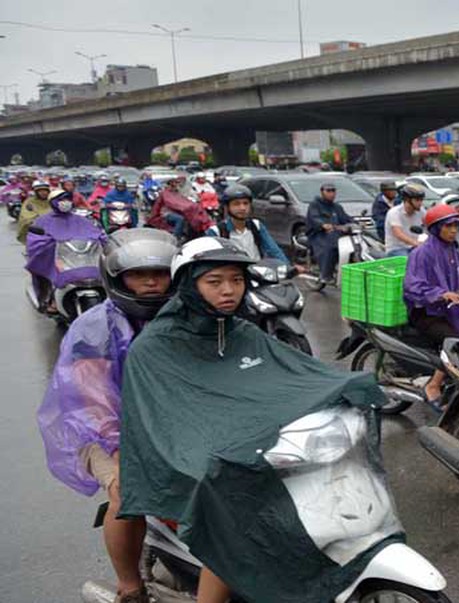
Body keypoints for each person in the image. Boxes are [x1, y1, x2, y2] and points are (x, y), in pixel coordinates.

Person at [117, 237, 386, 603]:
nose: (229, 290)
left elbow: (297, 376)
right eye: (215, 282)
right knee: (231, 518)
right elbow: (159, 425)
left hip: (250, 447)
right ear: (189, 285)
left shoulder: (243, 332)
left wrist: (353, 385)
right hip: (194, 459)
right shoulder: (154, 348)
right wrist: (213, 456)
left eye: (236, 280)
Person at [37, 229, 178, 603]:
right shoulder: (95, 328)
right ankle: (129, 585)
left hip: (174, 423)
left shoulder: (185, 317)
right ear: (116, 278)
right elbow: (92, 402)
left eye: (160, 273)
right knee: (125, 492)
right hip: (104, 432)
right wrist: (119, 450)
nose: (151, 282)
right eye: (139, 274)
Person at [404, 204, 459, 406]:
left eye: (456, 226)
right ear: (436, 229)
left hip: (451, 309)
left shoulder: (453, 250)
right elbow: (413, 286)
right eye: (448, 227)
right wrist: (441, 294)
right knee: (455, 342)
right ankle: (433, 385)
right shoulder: (421, 253)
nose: (454, 231)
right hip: (427, 312)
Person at [25, 189, 106, 310]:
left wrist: (102, 238)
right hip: (56, 258)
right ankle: (49, 299)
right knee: (45, 270)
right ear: (53, 202)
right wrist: (48, 244)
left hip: (81, 258)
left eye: (68, 199)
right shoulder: (42, 221)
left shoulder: (82, 220)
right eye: (61, 200)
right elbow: (34, 241)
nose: (65, 202)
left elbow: (98, 234)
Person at [205, 184, 289, 262]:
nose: (242, 208)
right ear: (227, 207)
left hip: (257, 273)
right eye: (236, 204)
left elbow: (273, 250)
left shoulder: (256, 225)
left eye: (246, 203)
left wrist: (286, 266)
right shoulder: (216, 231)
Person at [305, 182, 353, 288]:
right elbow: (314, 218)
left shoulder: (337, 206)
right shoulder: (315, 205)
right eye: (328, 191)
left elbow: (345, 218)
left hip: (336, 233)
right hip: (318, 234)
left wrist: (355, 223)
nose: (331, 193)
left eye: (333, 191)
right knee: (331, 245)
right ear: (322, 192)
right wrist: (323, 225)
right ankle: (326, 275)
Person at [147, 176, 212, 240]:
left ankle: (192, 236)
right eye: (174, 184)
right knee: (180, 219)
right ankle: (175, 238)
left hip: (178, 211)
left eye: (176, 183)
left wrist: (191, 205)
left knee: (193, 217)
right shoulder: (165, 193)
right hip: (166, 213)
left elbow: (183, 201)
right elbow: (172, 203)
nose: (176, 185)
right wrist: (183, 207)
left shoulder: (177, 193)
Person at [384, 183, 426, 257]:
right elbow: (399, 234)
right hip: (397, 249)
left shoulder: (422, 211)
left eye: (421, 200)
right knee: (409, 263)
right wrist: (417, 243)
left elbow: (429, 226)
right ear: (407, 200)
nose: (420, 203)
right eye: (417, 200)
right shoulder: (394, 213)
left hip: (414, 247)